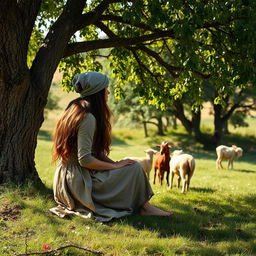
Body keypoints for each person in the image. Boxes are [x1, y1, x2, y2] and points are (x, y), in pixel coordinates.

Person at [50, 71, 172, 222]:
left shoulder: (74, 109)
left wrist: (116, 165)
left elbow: (95, 153)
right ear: (97, 93)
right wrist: (115, 168)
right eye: (105, 89)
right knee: (134, 168)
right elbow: (85, 160)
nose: (108, 92)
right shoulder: (87, 118)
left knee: (130, 165)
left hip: (69, 177)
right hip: (80, 182)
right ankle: (144, 208)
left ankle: (144, 206)